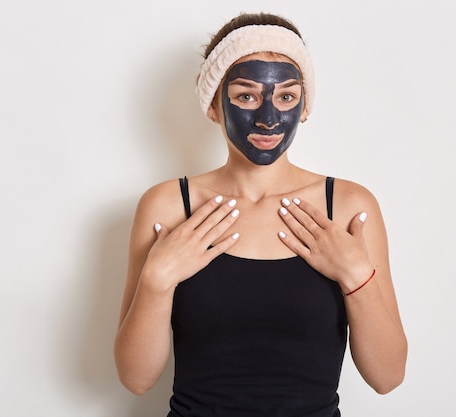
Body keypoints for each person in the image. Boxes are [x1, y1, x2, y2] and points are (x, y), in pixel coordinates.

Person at [114, 12, 408, 416]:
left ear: (304, 107)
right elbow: (135, 379)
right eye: (246, 95)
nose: (268, 118)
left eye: (286, 96)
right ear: (214, 105)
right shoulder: (168, 205)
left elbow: (387, 377)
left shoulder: (349, 207)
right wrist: (157, 281)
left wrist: (357, 276)